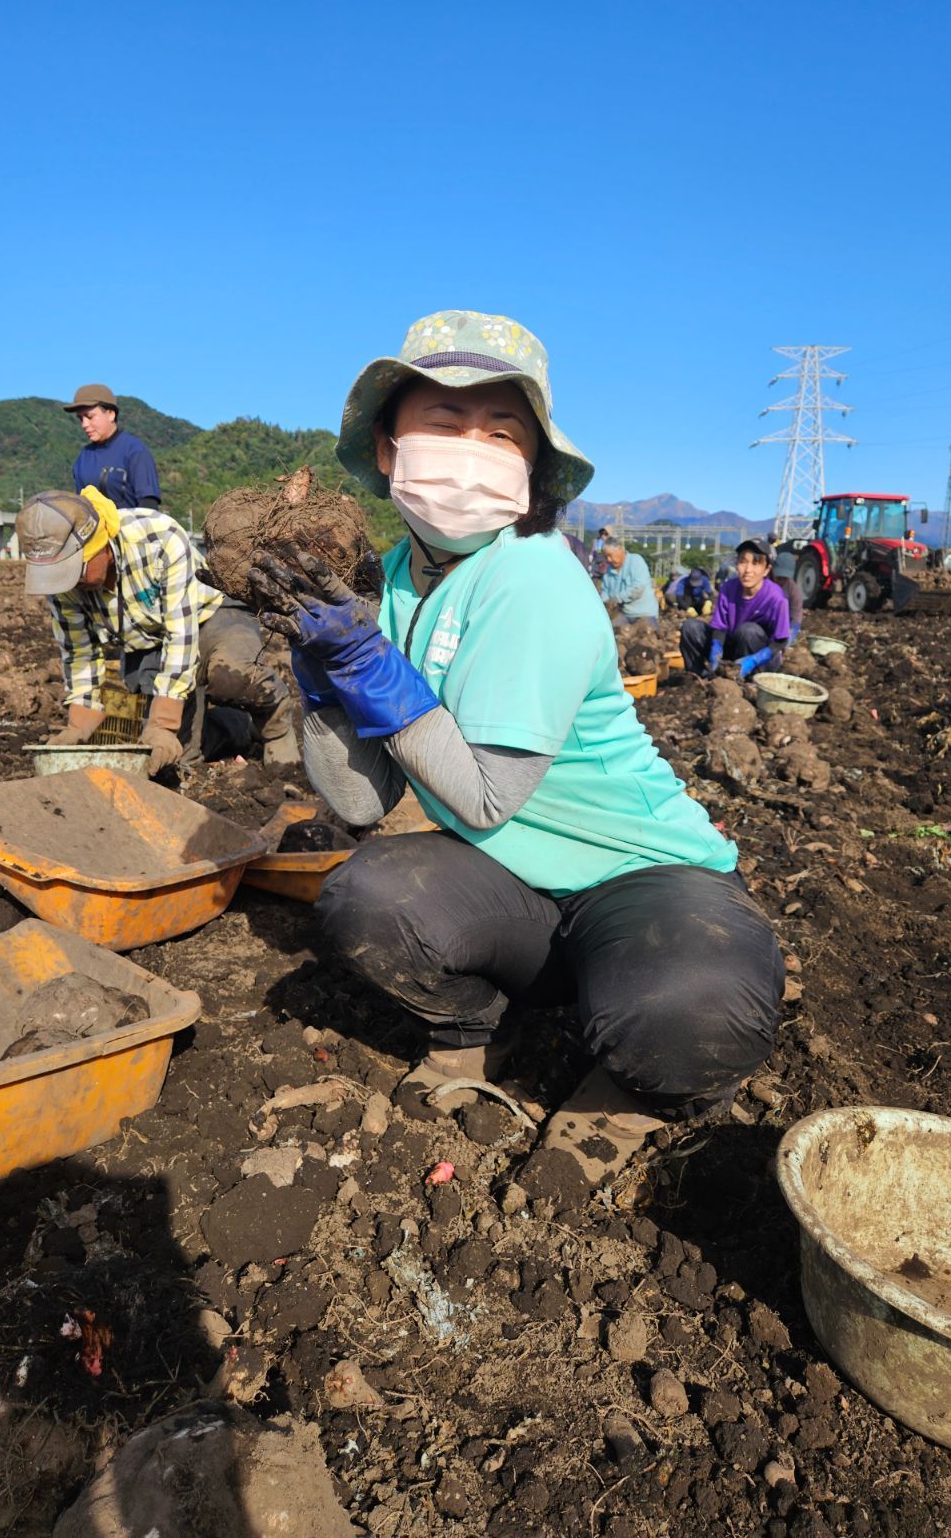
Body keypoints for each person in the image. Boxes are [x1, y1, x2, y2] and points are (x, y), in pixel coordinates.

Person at [248, 310, 784, 1203]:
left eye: (500, 431)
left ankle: (625, 1088)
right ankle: (473, 1027)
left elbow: (488, 797)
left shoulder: (536, 575)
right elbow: (359, 801)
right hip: (511, 890)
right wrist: (320, 687)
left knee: (690, 1009)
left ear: (531, 466)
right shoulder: (383, 581)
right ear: (387, 449)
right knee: (363, 895)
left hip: (638, 874)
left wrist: (369, 669)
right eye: (443, 423)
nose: (470, 449)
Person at [14, 489, 298, 775]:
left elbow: (181, 633)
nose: (71, 582)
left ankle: (274, 719)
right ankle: (236, 728)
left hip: (209, 615)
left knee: (229, 675)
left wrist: (163, 721)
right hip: (151, 642)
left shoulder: (158, 537)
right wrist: (79, 723)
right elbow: (79, 652)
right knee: (175, 756)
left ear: (100, 544)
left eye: (76, 570)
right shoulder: (64, 587)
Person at [680, 536, 790, 679]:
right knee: (690, 627)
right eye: (743, 562)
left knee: (748, 631)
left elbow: (780, 640)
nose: (748, 570)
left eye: (756, 563)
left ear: (766, 570)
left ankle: (748, 682)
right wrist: (716, 647)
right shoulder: (728, 588)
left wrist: (754, 660)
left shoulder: (776, 597)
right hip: (733, 647)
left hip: (762, 657)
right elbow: (719, 627)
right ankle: (699, 677)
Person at [65, 384, 161, 510]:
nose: (84, 424)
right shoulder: (83, 458)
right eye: (80, 418)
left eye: (89, 417)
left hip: (131, 527)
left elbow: (149, 505)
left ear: (111, 414)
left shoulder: (135, 451)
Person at [599, 541, 660, 625]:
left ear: (620, 549)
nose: (608, 559)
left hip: (644, 613)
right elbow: (605, 591)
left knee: (647, 635)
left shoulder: (636, 561)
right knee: (611, 632)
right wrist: (603, 603)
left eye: (610, 555)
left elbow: (638, 589)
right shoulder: (609, 571)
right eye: (606, 557)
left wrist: (616, 599)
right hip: (624, 614)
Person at [771, 550, 804, 642]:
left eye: (784, 578)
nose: (781, 581)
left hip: (781, 625)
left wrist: (789, 638)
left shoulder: (794, 590)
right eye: (778, 577)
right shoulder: (764, 583)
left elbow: (796, 617)